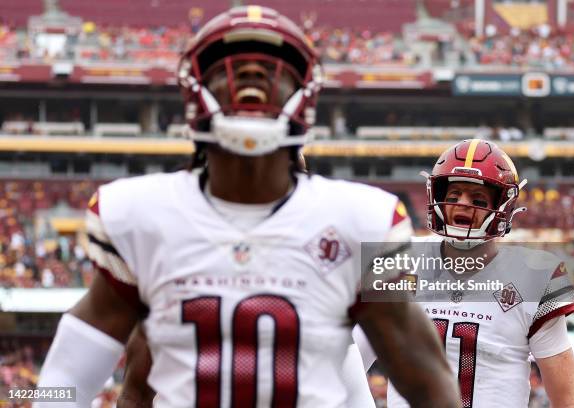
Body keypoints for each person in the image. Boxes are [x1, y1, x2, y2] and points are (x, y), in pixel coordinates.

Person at [34, 6, 459, 408]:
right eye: (228, 68)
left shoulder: (363, 222)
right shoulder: (142, 216)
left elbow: (429, 385)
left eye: (273, 69)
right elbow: (68, 381)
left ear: (305, 95)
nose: (252, 73)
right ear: (195, 90)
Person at [354, 139, 574, 407]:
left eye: (477, 198)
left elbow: (567, 398)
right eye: (453, 196)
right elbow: (351, 360)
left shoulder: (533, 277)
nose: (462, 205)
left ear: (504, 207)